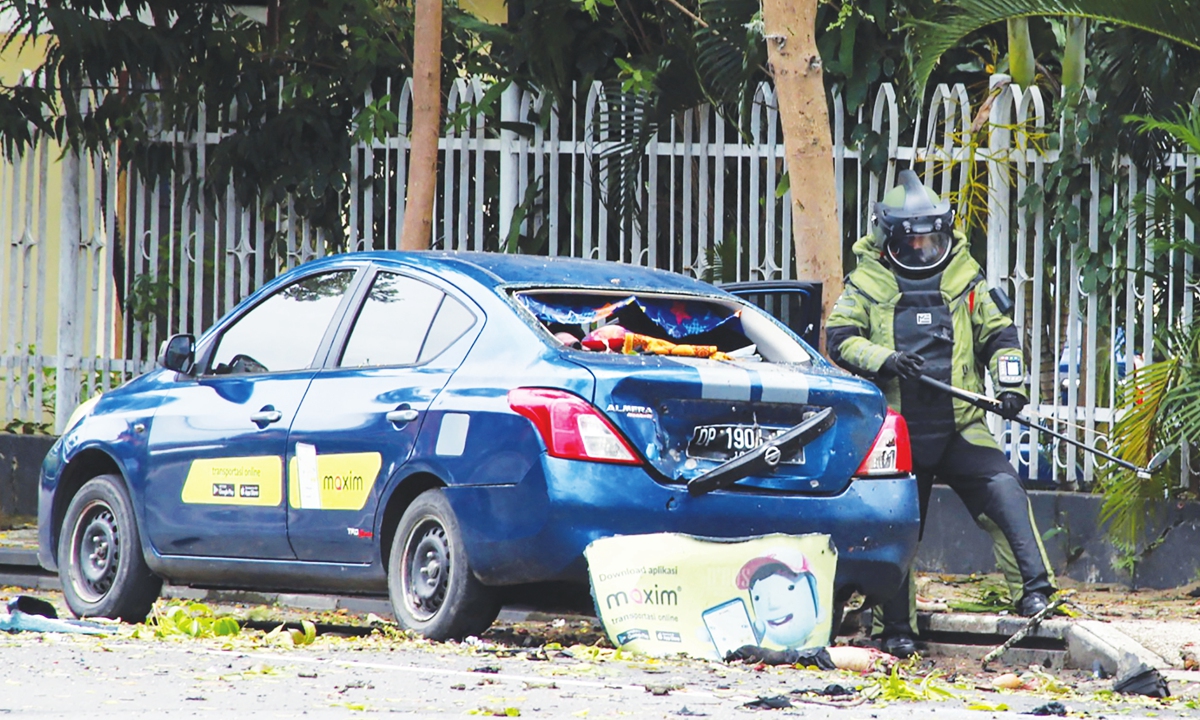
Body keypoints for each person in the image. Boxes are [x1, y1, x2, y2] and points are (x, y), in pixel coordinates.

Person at [825, 170, 1056, 659]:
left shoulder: (965, 276)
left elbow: (1001, 336)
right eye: (914, 242)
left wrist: (1010, 385)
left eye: (933, 240)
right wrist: (885, 360)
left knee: (1005, 493)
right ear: (889, 238)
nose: (924, 250)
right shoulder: (866, 280)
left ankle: (1036, 591)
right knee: (901, 524)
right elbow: (841, 336)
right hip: (896, 432)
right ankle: (896, 627)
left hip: (961, 424)